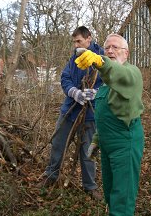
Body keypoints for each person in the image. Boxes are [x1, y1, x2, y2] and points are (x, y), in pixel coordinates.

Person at [75, 33, 144, 216]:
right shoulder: (104, 86)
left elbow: (118, 73)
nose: (110, 50)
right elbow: (103, 117)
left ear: (126, 53)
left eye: (116, 47)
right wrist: (95, 141)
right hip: (108, 145)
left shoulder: (131, 74)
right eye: (106, 48)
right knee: (111, 195)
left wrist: (101, 62)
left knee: (122, 198)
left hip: (126, 143)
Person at [37, 26, 104, 200]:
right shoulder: (74, 57)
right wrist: (74, 92)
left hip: (90, 114)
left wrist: (96, 92)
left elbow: (109, 81)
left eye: (79, 41)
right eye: (74, 42)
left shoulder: (101, 57)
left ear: (89, 39)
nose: (75, 45)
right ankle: (51, 175)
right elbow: (65, 77)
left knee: (88, 151)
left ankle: (90, 186)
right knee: (58, 144)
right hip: (70, 110)